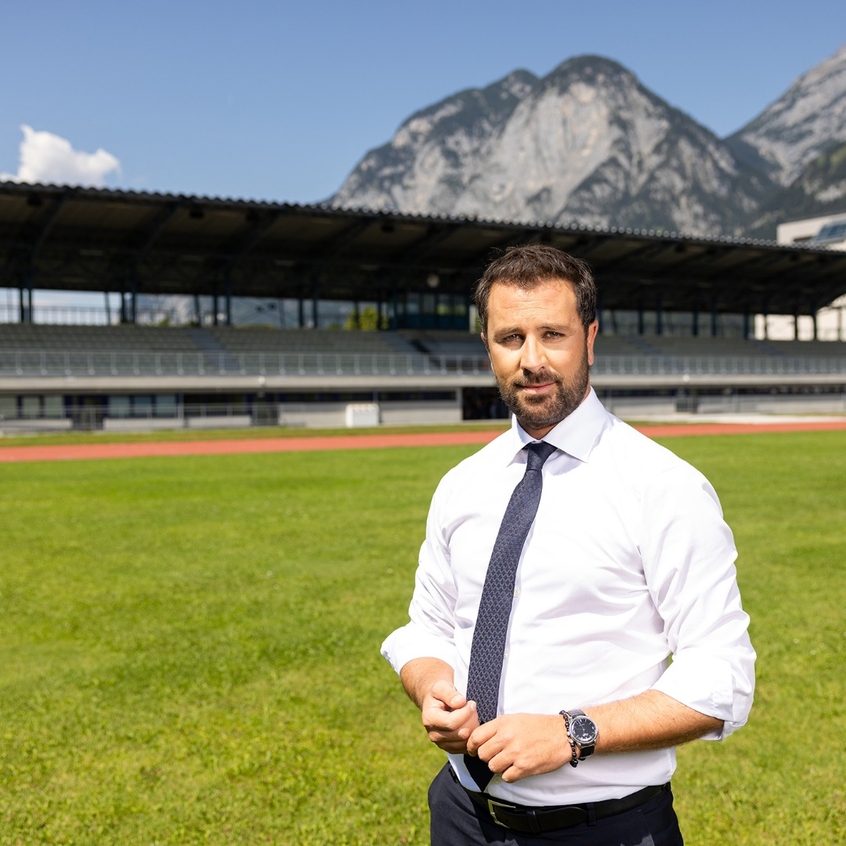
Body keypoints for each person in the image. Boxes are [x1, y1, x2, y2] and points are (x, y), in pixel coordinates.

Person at [381, 244, 755, 845]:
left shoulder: (661, 486)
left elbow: (723, 679)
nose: (531, 359)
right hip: (461, 817)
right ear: (487, 348)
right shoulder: (461, 485)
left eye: (552, 334)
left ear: (590, 337)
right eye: (510, 338)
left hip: (605, 829)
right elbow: (426, 628)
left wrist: (572, 732)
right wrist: (432, 689)